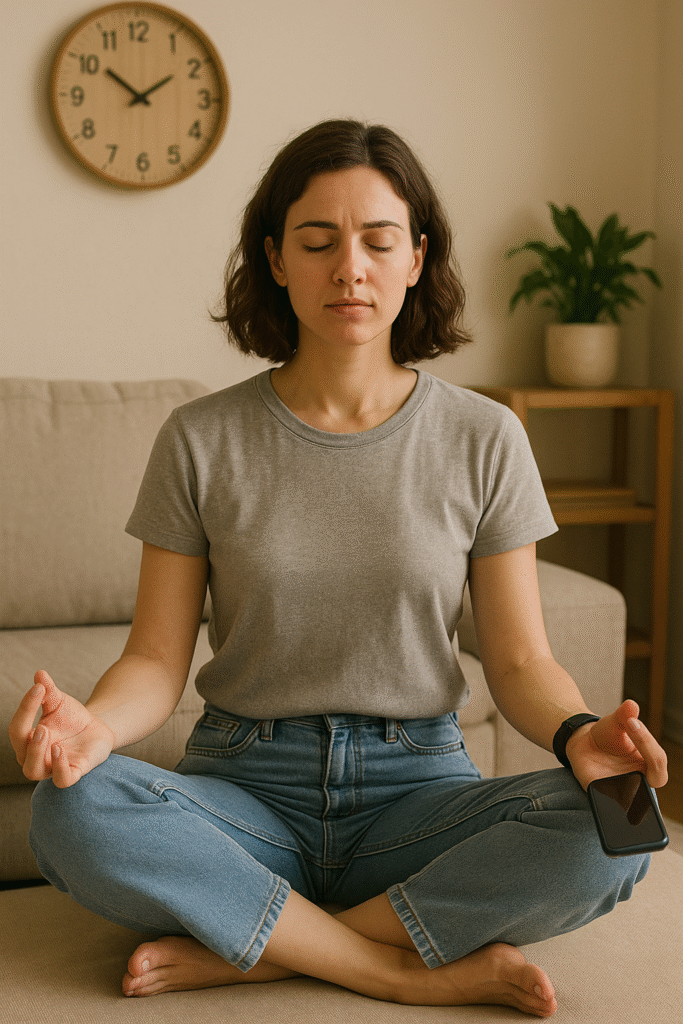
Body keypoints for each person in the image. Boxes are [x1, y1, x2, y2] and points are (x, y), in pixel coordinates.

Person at [10, 119, 668, 1018]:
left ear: (416, 257)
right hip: (246, 788)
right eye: (317, 242)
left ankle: (263, 947)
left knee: (620, 820)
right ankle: (390, 966)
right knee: (68, 809)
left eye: (377, 241)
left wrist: (578, 734)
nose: (348, 268)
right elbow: (156, 661)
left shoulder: (484, 436)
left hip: (417, 791)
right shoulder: (200, 439)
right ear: (276, 259)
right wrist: (95, 727)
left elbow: (519, 661)